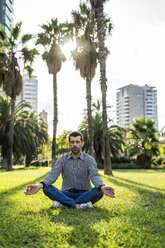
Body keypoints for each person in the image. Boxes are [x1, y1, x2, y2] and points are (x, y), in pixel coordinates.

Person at [25, 131, 115, 209]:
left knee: (99, 191)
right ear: (69, 144)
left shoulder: (89, 159)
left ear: (82, 143)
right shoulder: (62, 159)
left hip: (85, 194)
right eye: (72, 142)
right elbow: (53, 175)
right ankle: (77, 205)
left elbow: (94, 176)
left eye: (77, 142)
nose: (75, 144)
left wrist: (102, 187)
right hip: (66, 193)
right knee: (46, 188)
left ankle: (65, 203)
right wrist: (39, 185)